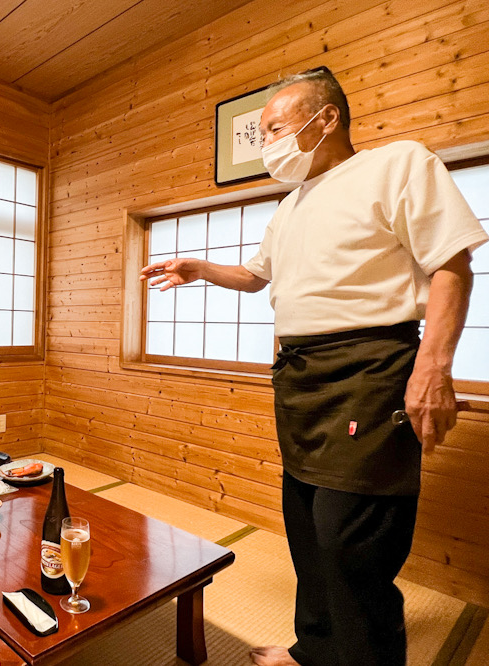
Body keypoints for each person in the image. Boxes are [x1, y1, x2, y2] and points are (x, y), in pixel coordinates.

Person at [140, 66, 486, 666]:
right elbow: (256, 276)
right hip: (299, 377)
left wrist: (434, 366)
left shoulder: (398, 163)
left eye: (276, 127)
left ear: (325, 119)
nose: (269, 142)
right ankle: (314, 650)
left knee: (350, 541)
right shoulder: (293, 203)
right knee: (306, 529)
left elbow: (451, 266)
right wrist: (200, 268)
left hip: (369, 371)